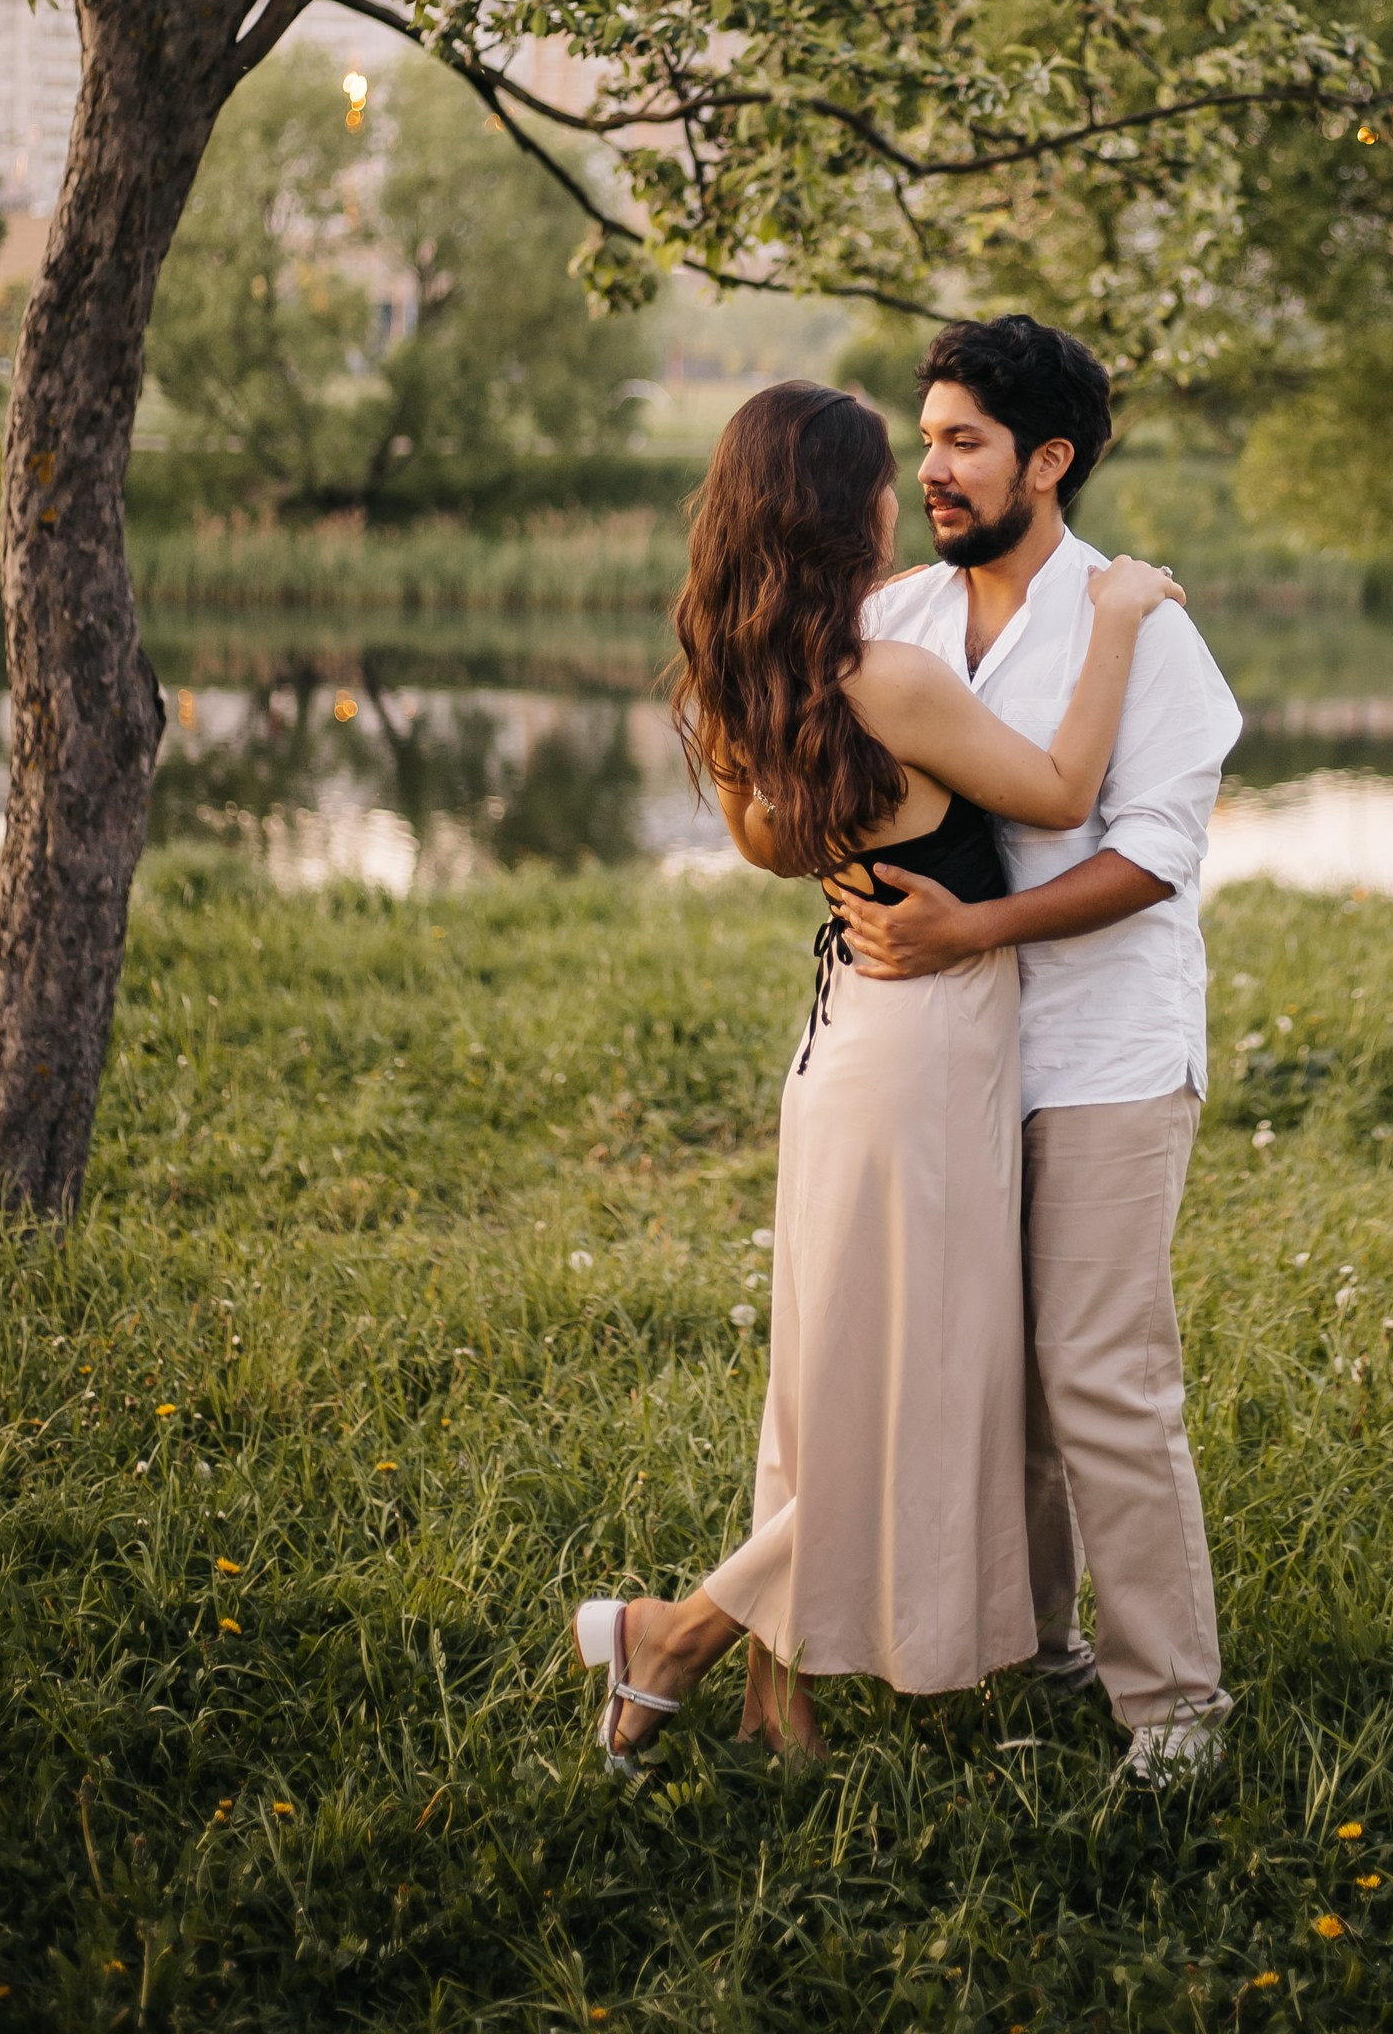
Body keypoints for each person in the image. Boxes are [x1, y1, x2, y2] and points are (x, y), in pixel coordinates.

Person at [572, 379, 1183, 1768]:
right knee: (916, 1395)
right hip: (927, 1045)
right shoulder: (888, 676)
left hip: (842, 1040)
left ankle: (773, 1707)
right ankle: (672, 1634)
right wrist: (1116, 617)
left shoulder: (749, 677)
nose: (913, 483)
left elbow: (767, 853)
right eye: (890, 471)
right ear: (844, 503)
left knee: (829, 1383)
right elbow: (1064, 793)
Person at [833, 316, 1242, 1783]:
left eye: (962, 441)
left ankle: (1177, 1710)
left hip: (1107, 1056)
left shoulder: (1142, 625)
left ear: (1047, 461)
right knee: (989, 1375)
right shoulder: (900, 621)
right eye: (924, 435)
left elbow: (1150, 856)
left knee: (1100, 1375)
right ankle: (1046, 1649)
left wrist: (970, 935)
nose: (928, 467)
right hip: (952, 1058)